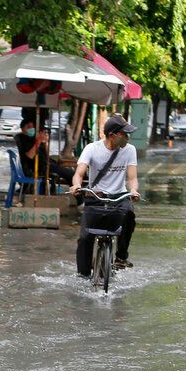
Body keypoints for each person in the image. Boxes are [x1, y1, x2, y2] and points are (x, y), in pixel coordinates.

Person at [69, 115, 141, 274]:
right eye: (124, 134)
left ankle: (121, 257)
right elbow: (79, 173)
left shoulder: (130, 150)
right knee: (85, 237)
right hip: (96, 197)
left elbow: (132, 177)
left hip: (119, 196)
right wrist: (76, 185)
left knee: (129, 215)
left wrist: (134, 190)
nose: (127, 138)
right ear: (112, 135)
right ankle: (83, 274)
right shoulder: (92, 149)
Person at [15, 118, 74, 193]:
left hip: (46, 164)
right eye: (28, 127)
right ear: (22, 129)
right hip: (36, 167)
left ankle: (76, 195)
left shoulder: (33, 138)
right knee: (71, 174)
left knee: (70, 173)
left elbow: (46, 154)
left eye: (32, 127)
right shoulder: (23, 139)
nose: (31, 129)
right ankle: (79, 199)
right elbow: (29, 156)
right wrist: (38, 141)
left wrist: (45, 142)